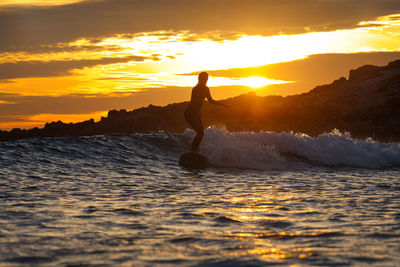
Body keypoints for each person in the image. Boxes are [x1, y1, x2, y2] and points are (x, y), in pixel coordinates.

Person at [184, 72, 229, 152]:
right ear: (199, 79)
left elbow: (211, 101)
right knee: (200, 132)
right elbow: (192, 103)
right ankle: (193, 150)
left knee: (200, 133)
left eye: (206, 79)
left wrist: (223, 105)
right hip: (189, 113)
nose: (205, 80)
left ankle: (194, 150)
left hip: (195, 113)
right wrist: (197, 112)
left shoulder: (206, 89)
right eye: (204, 78)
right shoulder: (196, 89)